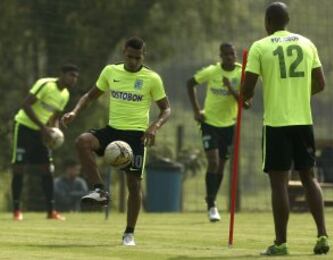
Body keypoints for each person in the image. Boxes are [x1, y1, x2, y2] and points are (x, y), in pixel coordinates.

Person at [61, 37, 171, 246]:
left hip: (137, 135)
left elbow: (166, 108)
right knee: (82, 141)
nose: (132, 61)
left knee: (133, 184)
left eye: (137, 58)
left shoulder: (152, 78)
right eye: (129, 57)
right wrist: (74, 112)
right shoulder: (110, 72)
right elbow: (90, 96)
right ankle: (99, 190)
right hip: (113, 131)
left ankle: (129, 233)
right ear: (123, 53)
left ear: (143, 56)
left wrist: (154, 126)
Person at [241, 2, 329, 256]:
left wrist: (245, 99)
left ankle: (280, 243)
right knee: (308, 177)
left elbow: (247, 88)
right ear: (287, 21)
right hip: (303, 121)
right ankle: (322, 235)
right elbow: (321, 83)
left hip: (276, 123)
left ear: (267, 22)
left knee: (279, 183)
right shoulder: (307, 43)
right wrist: (299, 94)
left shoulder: (260, 46)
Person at [187, 43, 249, 222]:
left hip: (229, 125)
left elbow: (246, 104)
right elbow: (190, 83)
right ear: (220, 56)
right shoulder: (212, 71)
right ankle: (212, 205)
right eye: (226, 54)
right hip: (209, 122)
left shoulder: (241, 73)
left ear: (235, 55)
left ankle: (211, 198)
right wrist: (196, 110)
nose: (230, 57)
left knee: (221, 165)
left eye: (232, 54)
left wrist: (231, 90)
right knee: (212, 161)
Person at [11, 64, 79, 221]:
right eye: (71, 75)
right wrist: (43, 128)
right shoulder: (45, 84)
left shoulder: (65, 95)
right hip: (24, 128)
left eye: (76, 77)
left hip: (42, 133)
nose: (73, 79)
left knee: (47, 169)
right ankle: (16, 210)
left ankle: (51, 211)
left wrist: (54, 133)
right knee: (19, 168)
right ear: (61, 74)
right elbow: (26, 104)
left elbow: (54, 117)